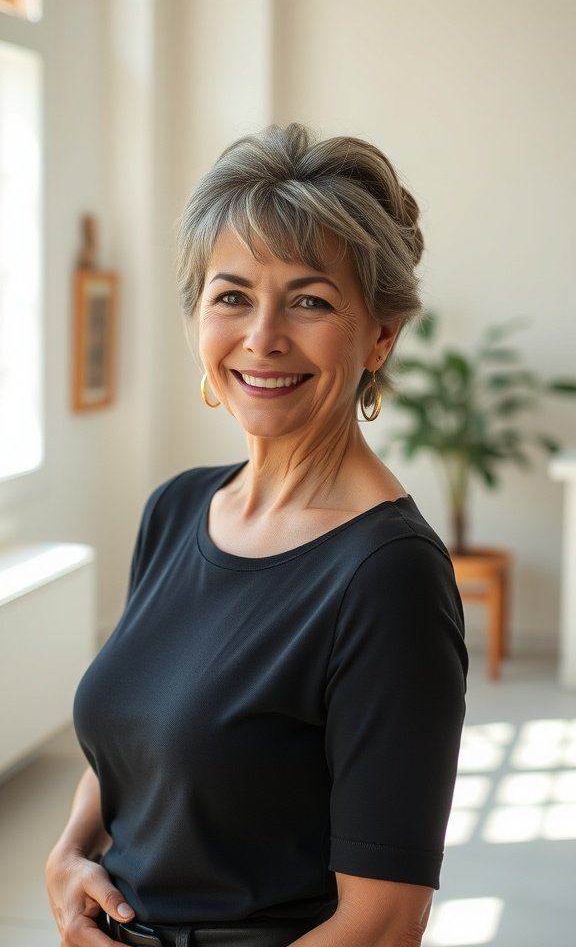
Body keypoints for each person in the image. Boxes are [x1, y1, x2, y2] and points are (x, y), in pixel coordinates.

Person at [46, 123, 468, 947]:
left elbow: (383, 924)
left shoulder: (389, 578)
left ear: (380, 335)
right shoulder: (176, 511)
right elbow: (134, 740)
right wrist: (67, 856)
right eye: (232, 296)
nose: (262, 336)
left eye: (310, 300)